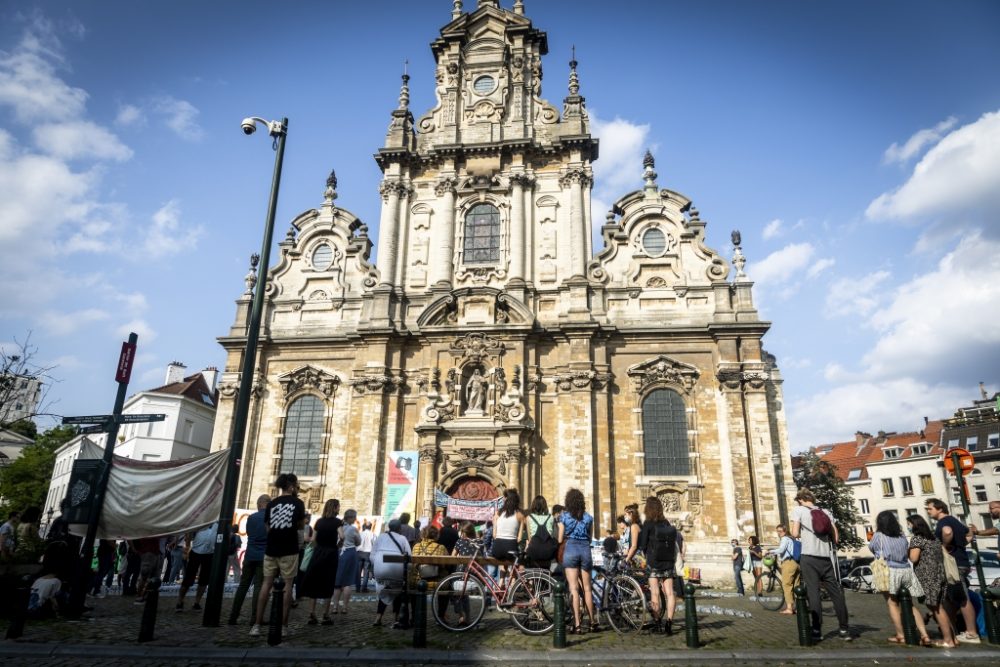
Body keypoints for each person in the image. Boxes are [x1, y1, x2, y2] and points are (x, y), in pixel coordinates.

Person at [790, 489, 851, 641]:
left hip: (809, 557)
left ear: (800, 499)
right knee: (836, 593)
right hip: (825, 557)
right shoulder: (825, 511)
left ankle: (817, 630)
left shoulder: (799, 510)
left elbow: (795, 533)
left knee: (813, 592)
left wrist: (802, 532)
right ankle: (844, 629)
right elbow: (835, 537)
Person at [251, 473, 306, 637]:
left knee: (266, 585)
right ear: (290, 486)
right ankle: (283, 626)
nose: (296, 488)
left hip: (271, 549)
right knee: (288, 587)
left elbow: (268, 528)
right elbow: (300, 528)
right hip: (289, 549)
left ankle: (256, 625)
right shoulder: (298, 503)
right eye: (295, 485)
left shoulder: (271, 503)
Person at [869, 510, 931, 645]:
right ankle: (925, 635)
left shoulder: (878, 536)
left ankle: (901, 634)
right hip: (905, 570)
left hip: (889, 571)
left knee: (892, 603)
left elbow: (872, 548)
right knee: (909, 603)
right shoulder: (901, 535)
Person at [925, 498, 979, 643]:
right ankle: (951, 631)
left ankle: (971, 633)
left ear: (939, 509)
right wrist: (960, 544)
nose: (928, 511)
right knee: (950, 599)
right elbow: (969, 533)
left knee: (962, 598)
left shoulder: (944, 522)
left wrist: (943, 546)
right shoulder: (955, 521)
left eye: (930, 508)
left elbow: (947, 532)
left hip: (954, 565)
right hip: (960, 562)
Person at [906, 514, 956, 648]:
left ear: (915, 525)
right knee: (939, 607)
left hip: (928, 577)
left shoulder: (917, 539)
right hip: (939, 575)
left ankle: (948, 640)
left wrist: (907, 551)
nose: (908, 527)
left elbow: (914, 558)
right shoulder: (934, 538)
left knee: (937, 609)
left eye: (909, 524)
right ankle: (953, 638)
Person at [557, 488, 598, 634]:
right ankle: (592, 621)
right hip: (585, 550)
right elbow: (589, 537)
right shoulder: (588, 518)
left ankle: (578, 623)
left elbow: (560, 539)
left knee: (573, 588)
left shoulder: (564, 517)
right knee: (587, 588)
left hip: (571, 550)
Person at [639, 496, 678, 634]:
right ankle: (669, 623)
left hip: (654, 563)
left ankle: (657, 623)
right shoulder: (666, 523)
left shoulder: (648, 524)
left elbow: (642, 545)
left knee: (654, 593)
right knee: (670, 593)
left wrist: (645, 553)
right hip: (668, 562)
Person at [229, 494, 270, 625]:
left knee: (243, 586)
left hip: (250, 555)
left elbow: (249, 533)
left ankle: (233, 616)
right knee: (259, 586)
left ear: (259, 504)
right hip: (263, 556)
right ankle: (255, 617)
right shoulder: (270, 518)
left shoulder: (251, 518)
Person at [300, 499, 341, 624]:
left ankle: (312, 614)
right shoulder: (338, 522)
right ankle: (325, 615)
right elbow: (342, 536)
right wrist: (338, 545)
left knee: (314, 582)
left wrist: (318, 547)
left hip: (318, 553)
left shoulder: (319, 521)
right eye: (338, 507)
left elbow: (313, 540)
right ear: (334, 508)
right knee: (328, 583)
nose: (339, 509)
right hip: (330, 554)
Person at [371, 518, 412, 628]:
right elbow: (409, 556)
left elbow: (372, 555)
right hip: (396, 570)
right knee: (399, 590)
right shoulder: (403, 538)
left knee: (385, 589)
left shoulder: (380, 537)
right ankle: (396, 616)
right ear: (399, 528)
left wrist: (377, 565)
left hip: (380, 570)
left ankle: (378, 617)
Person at [411, 525, 448, 622]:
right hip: (437, 584)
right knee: (446, 587)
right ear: (436, 535)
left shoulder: (416, 546)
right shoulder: (441, 547)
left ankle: (414, 616)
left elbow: (413, 565)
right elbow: (445, 565)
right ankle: (440, 616)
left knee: (413, 587)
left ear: (422, 534)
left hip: (418, 582)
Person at [176, 522, 215, 611]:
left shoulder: (218, 524)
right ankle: (180, 601)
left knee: (204, 580)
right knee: (188, 579)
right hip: (195, 552)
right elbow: (189, 532)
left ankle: (197, 603)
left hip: (209, 554)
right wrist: (187, 547)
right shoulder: (201, 522)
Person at [331, 508, 361, 614]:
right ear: (351, 518)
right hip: (350, 553)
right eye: (355, 517)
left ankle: (335, 607)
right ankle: (344, 607)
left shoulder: (338, 527)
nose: (355, 519)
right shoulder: (353, 529)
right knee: (347, 582)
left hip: (338, 553)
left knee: (337, 582)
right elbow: (358, 542)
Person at [767, 524, 799, 614]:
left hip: (788, 563)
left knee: (787, 585)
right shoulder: (791, 538)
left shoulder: (785, 539)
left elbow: (781, 550)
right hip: (796, 562)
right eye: (777, 531)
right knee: (796, 585)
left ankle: (789, 608)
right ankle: (798, 607)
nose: (779, 533)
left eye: (780, 531)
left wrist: (770, 551)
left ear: (785, 531)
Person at [520, 495, 556, 569]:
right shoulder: (551, 517)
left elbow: (530, 539)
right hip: (548, 551)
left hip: (534, 550)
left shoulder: (529, 518)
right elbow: (552, 535)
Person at [491, 488, 524, 563]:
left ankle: (503, 573)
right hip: (511, 547)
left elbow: (494, 535)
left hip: (497, 548)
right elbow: (519, 538)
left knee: (502, 564)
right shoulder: (520, 515)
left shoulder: (498, 513)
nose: (502, 499)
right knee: (513, 563)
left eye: (504, 497)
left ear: (506, 499)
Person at [358, 520, 374, 593]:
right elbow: (374, 545)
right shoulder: (373, 534)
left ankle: (358, 587)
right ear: (370, 527)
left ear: (364, 527)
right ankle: (364, 588)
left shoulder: (360, 534)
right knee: (366, 571)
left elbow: (356, 543)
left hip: (359, 553)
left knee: (358, 571)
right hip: (368, 553)